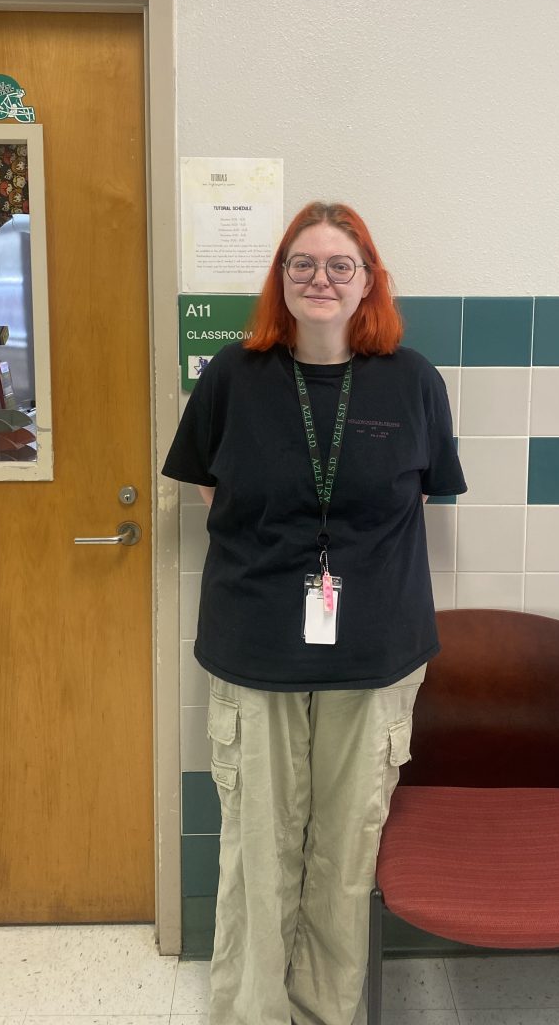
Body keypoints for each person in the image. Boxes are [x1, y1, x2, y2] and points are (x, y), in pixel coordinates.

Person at [163, 201, 466, 1025]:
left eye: (340, 265)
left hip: (375, 654)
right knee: (258, 856)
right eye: (303, 264)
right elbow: (208, 488)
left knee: (342, 860)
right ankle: (253, 1016)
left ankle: (326, 1014)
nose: (321, 279)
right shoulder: (232, 376)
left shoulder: (413, 381)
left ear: (369, 279)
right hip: (254, 649)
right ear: (281, 279)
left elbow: (426, 492)